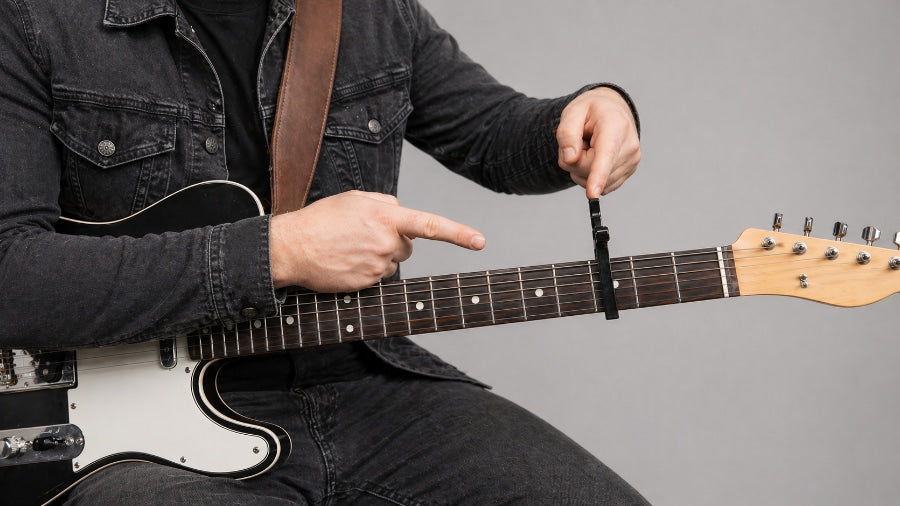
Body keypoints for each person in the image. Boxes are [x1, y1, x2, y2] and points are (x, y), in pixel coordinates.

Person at [0, 0, 644, 503]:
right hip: (130, 427)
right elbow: (13, 277)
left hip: (356, 379)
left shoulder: (369, 12)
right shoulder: (31, 18)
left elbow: (492, 134)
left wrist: (587, 115)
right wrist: (279, 250)